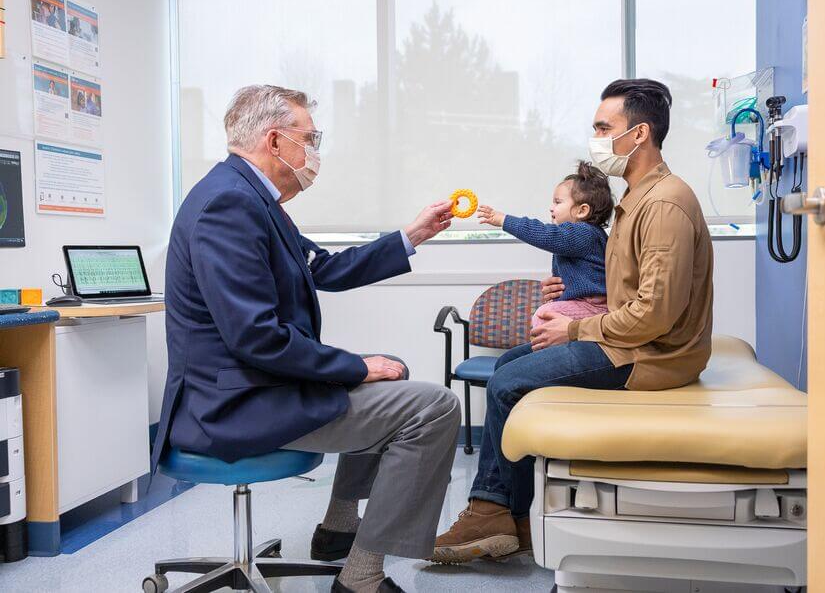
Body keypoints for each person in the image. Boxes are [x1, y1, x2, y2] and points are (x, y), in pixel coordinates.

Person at [151, 85, 461, 593]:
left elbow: (325, 267)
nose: (315, 152)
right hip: (232, 405)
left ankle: (339, 527)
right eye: (310, 139)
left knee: (394, 367)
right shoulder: (229, 204)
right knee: (434, 407)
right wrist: (356, 368)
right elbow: (256, 338)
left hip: (251, 385)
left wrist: (412, 235)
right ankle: (360, 578)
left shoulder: (250, 197)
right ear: (275, 141)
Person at [432, 78, 715, 564]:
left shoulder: (664, 204)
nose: (597, 138)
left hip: (652, 357)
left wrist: (573, 327)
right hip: (630, 341)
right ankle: (513, 516)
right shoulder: (636, 200)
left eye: (605, 128)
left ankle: (490, 510)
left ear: (640, 134)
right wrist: (571, 293)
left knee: (508, 383)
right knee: (507, 367)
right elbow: (623, 287)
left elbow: (656, 314)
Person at [476, 160, 613, 330]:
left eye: (558, 202)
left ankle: (555, 353)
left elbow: (546, 235)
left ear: (582, 211)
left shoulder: (584, 233)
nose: (551, 208)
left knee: (544, 316)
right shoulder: (575, 236)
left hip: (594, 307)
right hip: (583, 303)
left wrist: (504, 220)